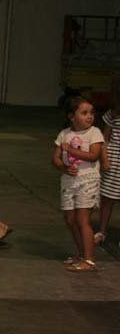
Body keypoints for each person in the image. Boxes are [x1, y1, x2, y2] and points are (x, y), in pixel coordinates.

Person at [53, 96, 104, 272]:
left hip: (87, 179)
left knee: (83, 220)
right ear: (71, 116)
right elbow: (55, 159)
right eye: (84, 113)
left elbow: (94, 155)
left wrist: (72, 150)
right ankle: (81, 253)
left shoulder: (94, 132)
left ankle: (89, 260)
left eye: (91, 113)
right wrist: (64, 167)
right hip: (69, 181)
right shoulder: (64, 134)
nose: (89, 116)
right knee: (70, 219)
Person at [95, 94, 120, 244]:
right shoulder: (113, 114)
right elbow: (105, 138)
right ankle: (102, 231)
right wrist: (104, 158)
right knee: (107, 198)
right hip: (113, 159)